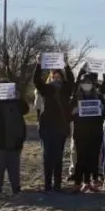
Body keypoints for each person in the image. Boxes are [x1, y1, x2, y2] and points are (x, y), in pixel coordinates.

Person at [33, 58, 75, 193]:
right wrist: (39, 64)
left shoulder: (66, 90)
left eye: (58, 76)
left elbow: (72, 81)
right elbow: (37, 81)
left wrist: (66, 64)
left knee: (58, 156)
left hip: (61, 126)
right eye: (53, 76)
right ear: (50, 78)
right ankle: (47, 183)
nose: (56, 78)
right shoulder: (46, 89)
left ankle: (57, 184)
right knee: (47, 155)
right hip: (46, 127)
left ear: (62, 78)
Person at [70, 71, 105, 192]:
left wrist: (103, 109)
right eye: (84, 82)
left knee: (93, 158)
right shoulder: (75, 98)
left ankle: (92, 182)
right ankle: (77, 183)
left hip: (95, 132)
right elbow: (68, 115)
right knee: (81, 158)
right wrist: (74, 111)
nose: (87, 84)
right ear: (81, 84)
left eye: (89, 82)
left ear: (93, 84)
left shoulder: (99, 96)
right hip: (80, 133)